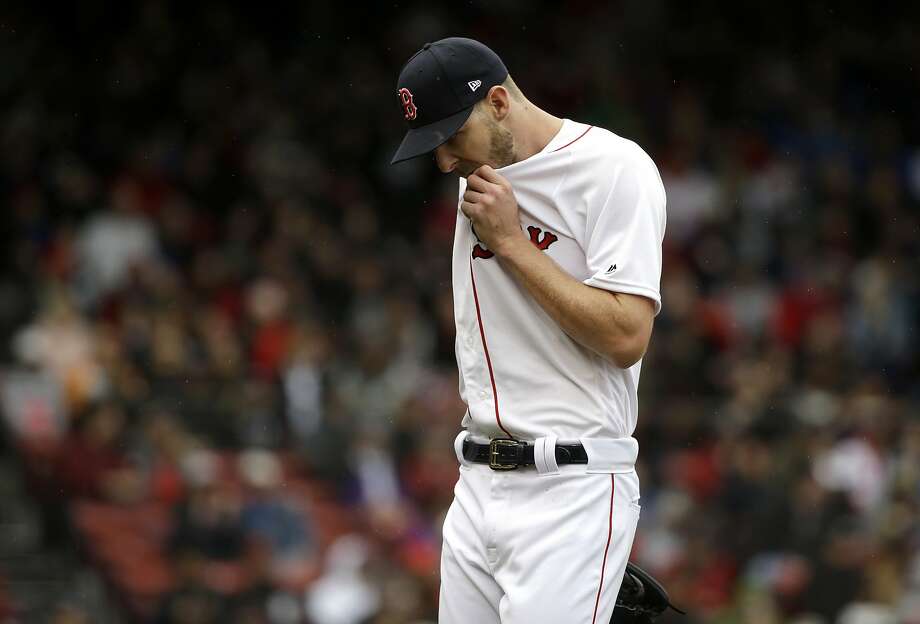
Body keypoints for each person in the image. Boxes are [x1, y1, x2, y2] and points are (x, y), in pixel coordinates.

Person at [391, 38, 667, 623]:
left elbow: (626, 336)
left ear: (497, 102)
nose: (444, 164)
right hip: (476, 482)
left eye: (450, 139)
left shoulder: (613, 169)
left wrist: (514, 244)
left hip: (569, 486)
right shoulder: (478, 179)